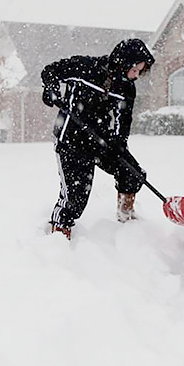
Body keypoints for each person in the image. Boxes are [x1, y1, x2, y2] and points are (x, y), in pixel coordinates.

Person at [40, 38, 155, 240]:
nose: (136, 75)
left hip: (99, 139)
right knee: (75, 197)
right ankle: (58, 235)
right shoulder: (85, 68)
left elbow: (123, 121)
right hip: (71, 139)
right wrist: (51, 89)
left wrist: (119, 145)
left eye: (139, 71)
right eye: (135, 69)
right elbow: (50, 72)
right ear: (123, 62)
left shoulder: (127, 88)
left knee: (132, 173)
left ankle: (126, 222)